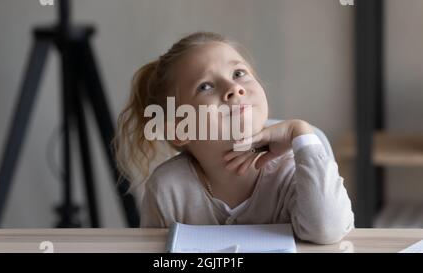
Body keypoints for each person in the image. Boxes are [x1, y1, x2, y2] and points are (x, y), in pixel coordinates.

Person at [113, 31, 354, 244]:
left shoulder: (293, 167)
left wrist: (300, 132)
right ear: (180, 130)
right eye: (205, 86)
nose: (234, 88)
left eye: (239, 73)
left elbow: (327, 231)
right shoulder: (168, 188)